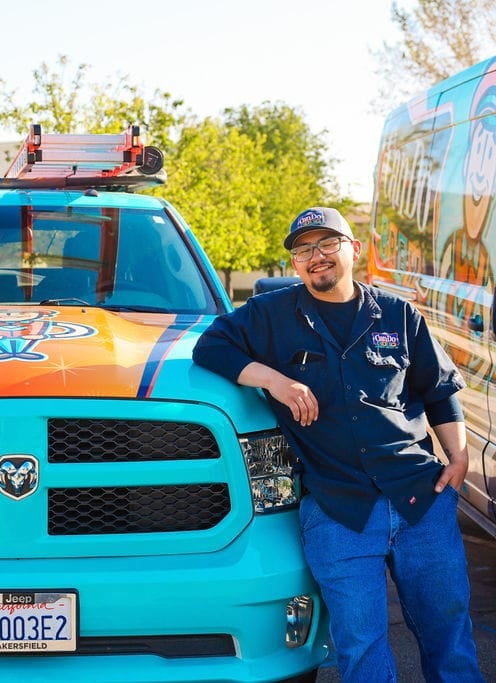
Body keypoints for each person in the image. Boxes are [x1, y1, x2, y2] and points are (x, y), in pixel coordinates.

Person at [192, 207, 484, 682]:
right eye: (304, 249)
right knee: (361, 647)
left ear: (354, 249)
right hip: (338, 508)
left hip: (420, 499)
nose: (316, 257)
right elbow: (211, 347)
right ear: (295, 262)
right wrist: (275, 381)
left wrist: (459, 457)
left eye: (328, 244)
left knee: (448, 633)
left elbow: (439, 390)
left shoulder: (398, 315)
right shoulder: (270, 315)